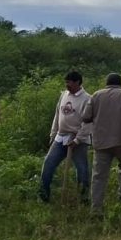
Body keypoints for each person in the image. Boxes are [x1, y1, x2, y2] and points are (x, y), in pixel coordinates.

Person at [82, 73, 121, 215]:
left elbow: (85, 117)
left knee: (98, 176)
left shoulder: (96, 95)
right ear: (120, 83)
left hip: (101, 142)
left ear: (106, 83)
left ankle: (96, 209)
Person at [37, 71, 92, 203]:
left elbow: (88, 123)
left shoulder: (87, 99)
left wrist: (77, 140)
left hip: (77, 139)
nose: (67, 85)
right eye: (66, 82)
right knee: (48, 163)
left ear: (77, 82)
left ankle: (83, 199)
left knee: (82, 169)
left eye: (69, 82)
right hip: (60, 137)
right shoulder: (64, 95)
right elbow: (57, 115)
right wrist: (53, 133)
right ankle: (43, 195)